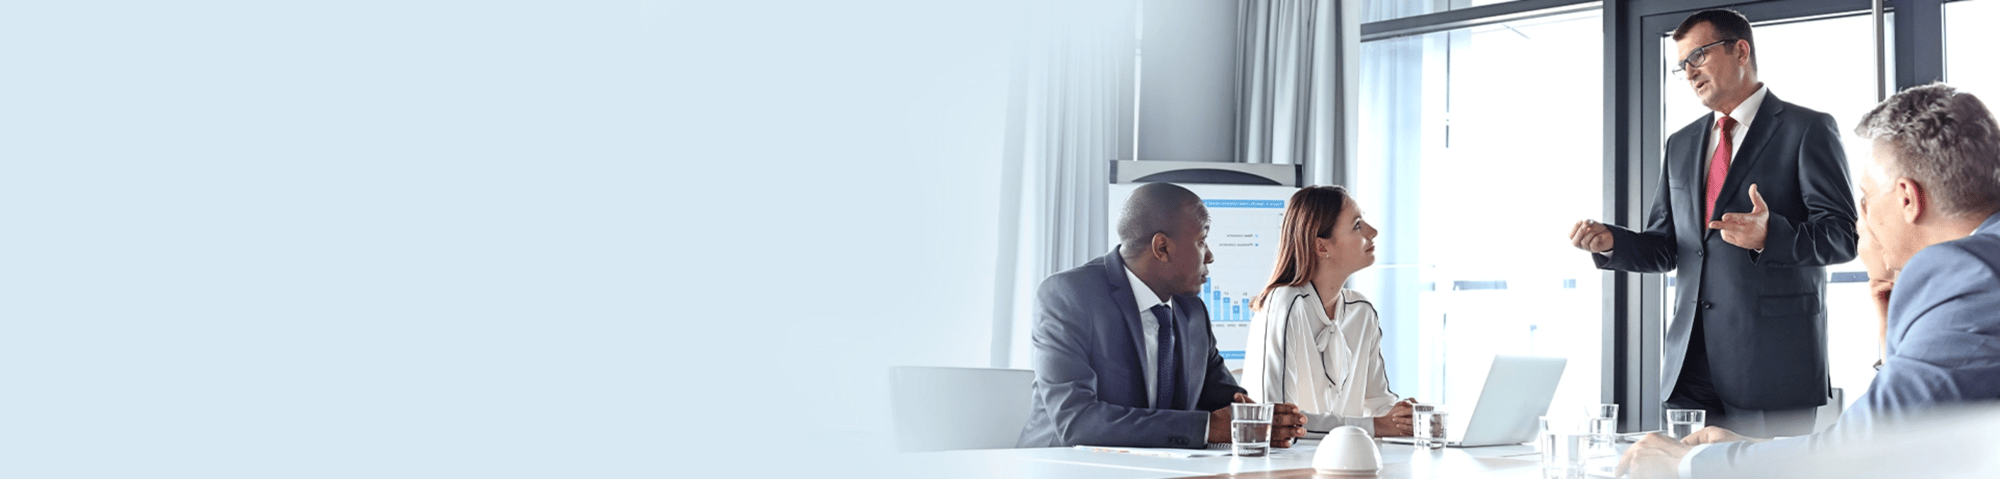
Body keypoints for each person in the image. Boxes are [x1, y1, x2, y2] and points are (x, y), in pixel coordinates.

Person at [1617, 83, 2000, 478]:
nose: (1861, 218)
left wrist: (1689, 463)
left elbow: (1869, 450)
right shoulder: (1981, 262)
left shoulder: (1967, 276)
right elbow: (1920, 433)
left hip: (1770, 362)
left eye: (1866, 199)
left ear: (1907, 198)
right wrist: (1755, 451)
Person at [1568, 8, 1857, 437]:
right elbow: (1669, 246)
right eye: (1682, 63)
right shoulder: (1681, 143)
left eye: (1698, 56)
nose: (1689, 72)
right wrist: (1613, 242)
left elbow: (1841, 237)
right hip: (1690, 367)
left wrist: (1768, 235)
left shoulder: (1807, 128)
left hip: (1773, 368)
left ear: (1741, 50)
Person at [1017, 182, 1308, 448]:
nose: (1209, 256)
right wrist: (1208, 428)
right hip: (1063, 467)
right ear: (1162, 247)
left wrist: (1262, 419)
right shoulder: (1069, 296)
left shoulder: (1191, 311)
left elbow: (1222, 398)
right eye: (1202, 240)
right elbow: (1077, 421)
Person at [1242, 186, 1416, 437]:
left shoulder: (1362, 312)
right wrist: (1377, 426)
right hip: (1286, 467)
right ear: (1322, 247)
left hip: (1347, 463)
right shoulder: (1286, 303)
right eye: (1357, 225)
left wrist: (1403, 417)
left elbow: (1378, 402)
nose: (1373, 232)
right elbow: (1280, 422)